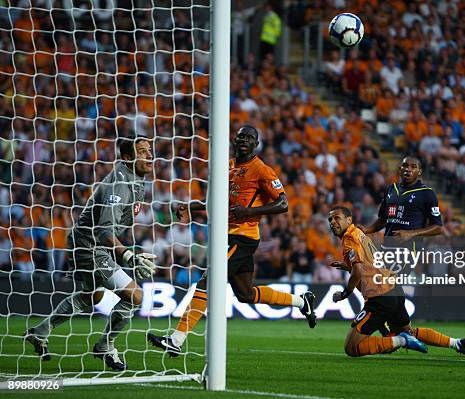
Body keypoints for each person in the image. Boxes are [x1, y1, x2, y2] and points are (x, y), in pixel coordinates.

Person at [147, 125, 316, 357]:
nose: (244, 140)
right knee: (245, 295)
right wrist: (190, 205)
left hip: (242, 236)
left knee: (207, 281)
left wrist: (249, 212)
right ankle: (302, 302)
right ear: (235, 140)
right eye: (241, 136)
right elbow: (219, 201)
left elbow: (283, 204)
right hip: (226, 234)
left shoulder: (262, 170)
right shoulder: (227, 165)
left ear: (256, 144)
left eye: (249, 137)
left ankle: (176, 340)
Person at [25, 135, 157, 371]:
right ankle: (106, 345)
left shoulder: (137, 181)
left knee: (91, 296)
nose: (149, 155)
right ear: (127, 157)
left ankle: (40, 331)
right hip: (90, 246)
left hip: (91, 243)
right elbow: (106, 230)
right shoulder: (119, 185)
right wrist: (128, 255)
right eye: (143, 151)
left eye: (149, 150)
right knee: (136, 296)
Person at [328, 206, 465, 359]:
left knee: (352, 347)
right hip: (394, 290)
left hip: (379, 297)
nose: (333, 222)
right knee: (409, 332)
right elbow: (368, 263)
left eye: (337, 218)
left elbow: (358, 271)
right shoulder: (359, 232)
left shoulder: (349, 238)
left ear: (349, 220)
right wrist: (348, 266)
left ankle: (402, 341)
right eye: (330, 220)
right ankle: (457, 343)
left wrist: (345, 293)